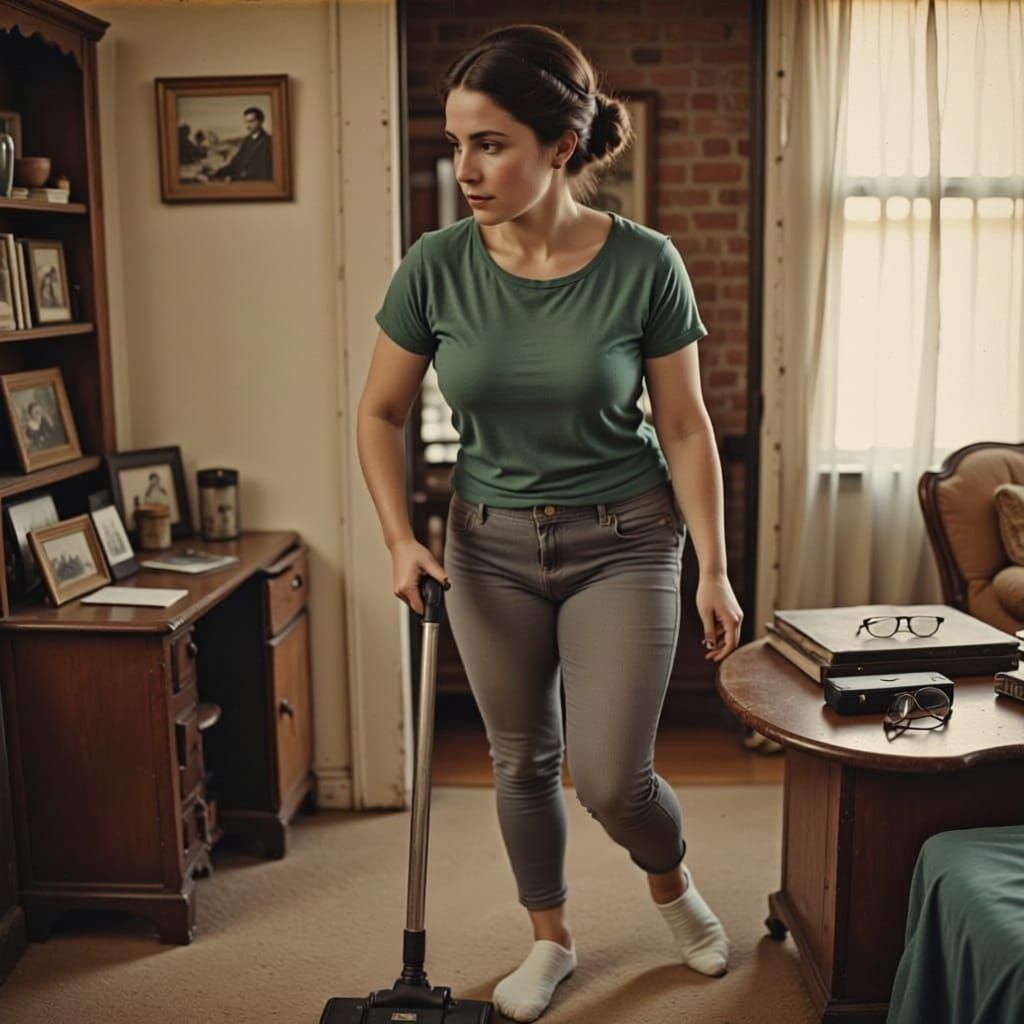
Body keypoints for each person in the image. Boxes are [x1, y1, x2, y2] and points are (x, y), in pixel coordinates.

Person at [357, 24, 742, 1023]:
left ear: (561, 146)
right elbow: (379, 412)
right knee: (522, 759)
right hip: (485, 545)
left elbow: (687, 426)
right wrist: (402, 537)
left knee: (614, 777)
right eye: (455, 144)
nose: (466, 169)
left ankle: (671, 882)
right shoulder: (435, 266)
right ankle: (551, 937)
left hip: (625, 535)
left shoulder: (644, 264)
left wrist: (711, 566)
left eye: (491, 144)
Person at [199, 107, 272, 182]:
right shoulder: (246, 141)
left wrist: (233, 178)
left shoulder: (269, 142)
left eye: (251, 121)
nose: (248, 125)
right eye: (246, 122)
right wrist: (216, 173)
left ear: (261, 121)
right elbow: (235, 165)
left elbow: (264, 173)